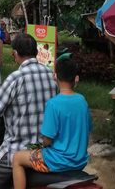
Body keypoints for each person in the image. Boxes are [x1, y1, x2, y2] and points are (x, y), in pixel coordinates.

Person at [0, 33, 57, 189]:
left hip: (17, 151)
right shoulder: (52, 76)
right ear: (36, 52)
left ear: (15, 54)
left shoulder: (16, 78)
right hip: (46, 150)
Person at [12, 58, 92, 189]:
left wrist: (40, 144)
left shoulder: (53, 104)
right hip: (79, 161)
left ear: (55, 76)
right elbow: (87, 130)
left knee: (17, 158)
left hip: (56, 161)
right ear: (76, 78)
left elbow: (47, 140)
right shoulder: (82, 101)